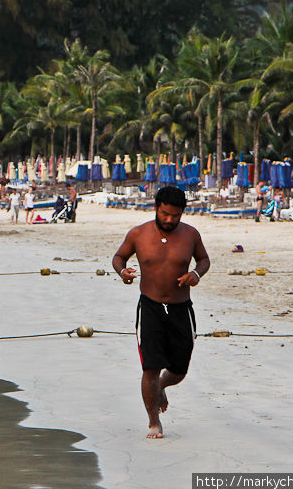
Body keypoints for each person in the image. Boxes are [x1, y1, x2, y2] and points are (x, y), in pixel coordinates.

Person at [111, 186, 211, 439]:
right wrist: (122, 272)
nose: (169, 220)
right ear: (156, 208)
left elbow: (204, 260)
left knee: (179, 370)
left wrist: (196, 274)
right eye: (165, 214)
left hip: (180, 308)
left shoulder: (190, 235)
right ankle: (153, 421)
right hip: (151, 307)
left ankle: (162, 386)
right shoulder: (138, 234)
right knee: (150, 368)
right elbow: (119, 257)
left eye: (175, 216)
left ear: (182, 213)